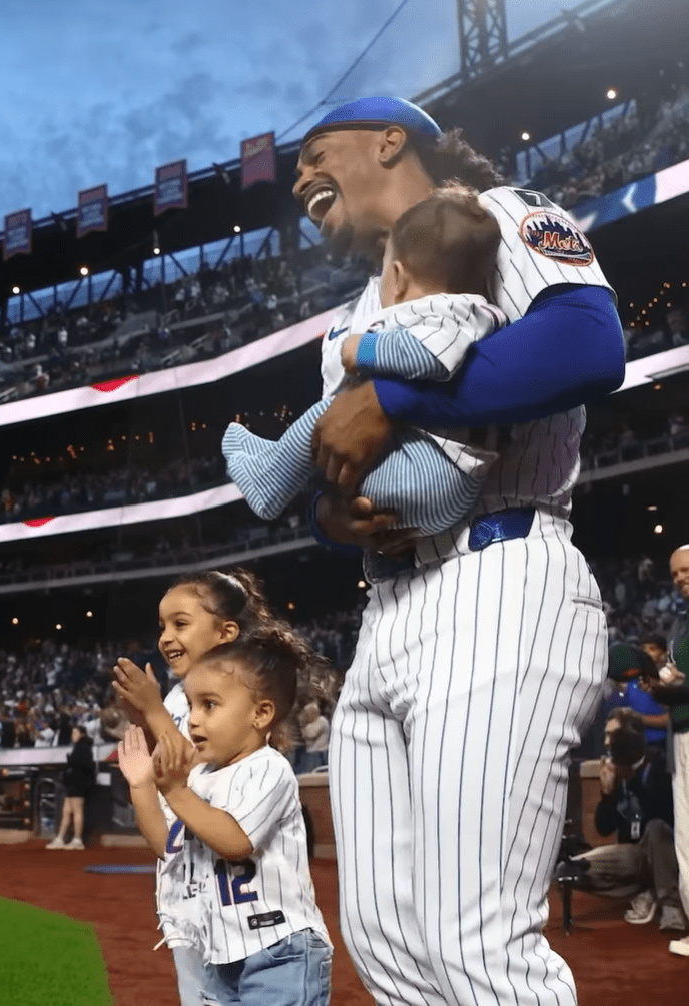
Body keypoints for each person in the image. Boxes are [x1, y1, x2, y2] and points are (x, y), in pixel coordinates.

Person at [289, 96, 625, 1006]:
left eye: (317, 152)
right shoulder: (357, 310)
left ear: (390, 140)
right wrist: (335, 516)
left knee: (478, 944)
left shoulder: (498, 213)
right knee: (387, 943)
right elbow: (331, 470)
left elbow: (589, 345)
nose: (299, 175)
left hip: (500, 574)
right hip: (388, 611)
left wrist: (399, 400)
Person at [223, 185, 506, 536]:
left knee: (333, 411)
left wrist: (364, 348)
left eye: (385, 270)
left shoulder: (452, 311)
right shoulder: (473, 310)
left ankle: (272, 478)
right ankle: (278, 463)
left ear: (399, 277)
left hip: (434, 473)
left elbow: (429, 355)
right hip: (433, 476)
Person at [117, 627, 333, 1006]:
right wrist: (141, 787)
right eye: (191, 705)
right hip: (221, 954)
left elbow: (234, 842)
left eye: (209, 705)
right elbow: (167, 847)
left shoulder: (268, 768)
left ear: (261, 713)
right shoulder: (199, 777)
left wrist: (177, 791)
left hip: (279, 950)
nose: (194, 719)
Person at [111, 569, 277, 1006]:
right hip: (188, 883)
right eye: (162, 626)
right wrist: (142, 720)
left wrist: (151, 712)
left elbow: (196, 762)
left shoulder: (239, 688)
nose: (166, 637)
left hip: (237, 894)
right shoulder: (172, 697)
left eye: (180, 623)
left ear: (226, 632)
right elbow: (168, 769)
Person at [561, 708, 684, 930]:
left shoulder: (658, 763)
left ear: (633, 735)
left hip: (665, 857)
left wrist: (632, 779)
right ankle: (647, 891)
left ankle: (670, 906)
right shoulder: (614, 769)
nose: (608, 742)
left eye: (613, 734)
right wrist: (608, 794)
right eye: (606, 735)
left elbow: (662, 816)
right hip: (633, 856)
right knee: (568, 871)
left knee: (656, 828)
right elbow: (604, 827)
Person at [644, 544, 689, 956]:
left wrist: (673, 687)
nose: (681, 578)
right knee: (685, 836)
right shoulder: (680, 624)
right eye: (675, 573)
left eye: (687, 570)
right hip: (682, 734)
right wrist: (662, 686)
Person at [46, 725, 95, 850]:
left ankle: (78, 839)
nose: (73, 735)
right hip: (73, 784)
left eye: (75, 732)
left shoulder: (83, 748)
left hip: (78, 784)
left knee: (77, 811)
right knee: (66, 812)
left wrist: (71, 768)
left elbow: (84, 767)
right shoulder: (80, 748)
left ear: (81, 734)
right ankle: (60, 838)